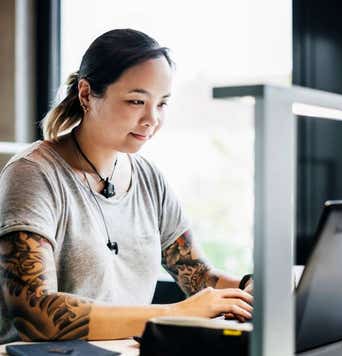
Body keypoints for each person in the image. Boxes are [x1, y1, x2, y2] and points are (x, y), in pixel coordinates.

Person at [0, 29, 253, 344]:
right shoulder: (33, 173)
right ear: (85, 94)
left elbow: (199, 275)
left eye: (162, 104)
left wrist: (248, 288)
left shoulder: (149, 179)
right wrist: (175, 313)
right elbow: (37, 316)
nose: (152, 119)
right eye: (136, 101)